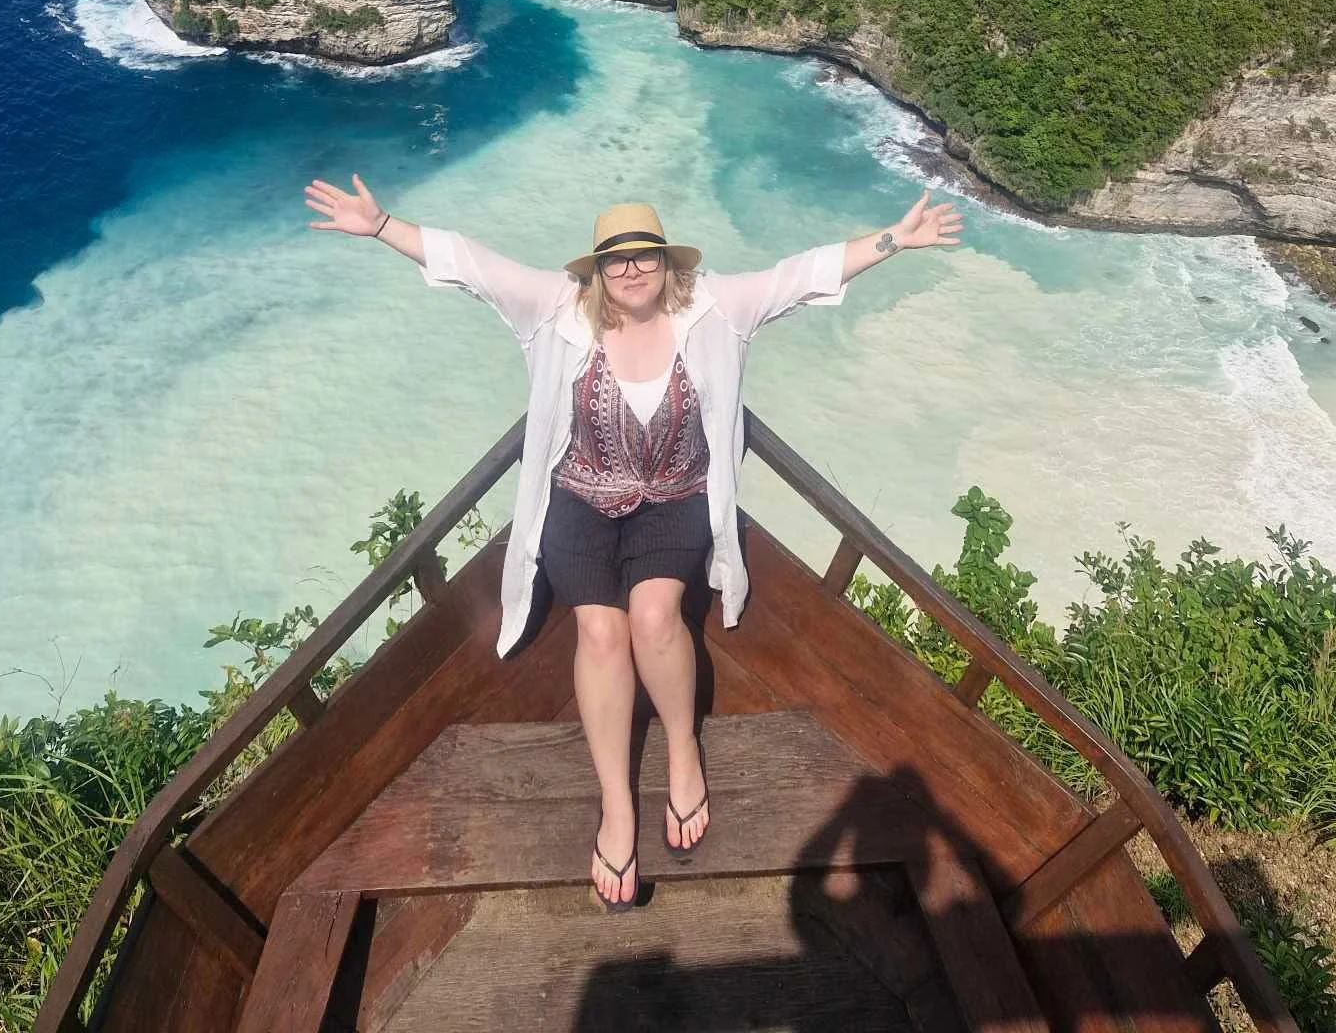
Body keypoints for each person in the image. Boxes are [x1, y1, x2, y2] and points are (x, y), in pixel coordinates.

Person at [303, 176, 963, 911]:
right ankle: (617, 804)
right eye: (614, 260)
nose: (629, 269)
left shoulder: (717, 308)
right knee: (599, 631)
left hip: (675, 500)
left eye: (643, 255)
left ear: (667, 261)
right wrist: (384, 224)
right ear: (595, 270)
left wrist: (893, 241)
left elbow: (801, 277)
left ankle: (682, 751)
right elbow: (470, 265)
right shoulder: (556, 309)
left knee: (654, 619)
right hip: (579, 500)